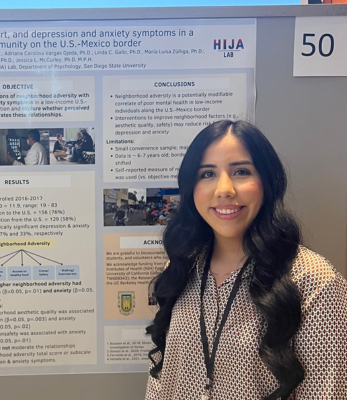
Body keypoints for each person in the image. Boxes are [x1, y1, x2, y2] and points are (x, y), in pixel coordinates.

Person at [145, 120, 347, 400]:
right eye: (207, 174)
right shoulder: (181, 268)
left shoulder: (313, 280)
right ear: (191, 187)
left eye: (241, 171)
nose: (224, 189)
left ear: (267, 181)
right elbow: (161, 378)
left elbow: (326, 391)